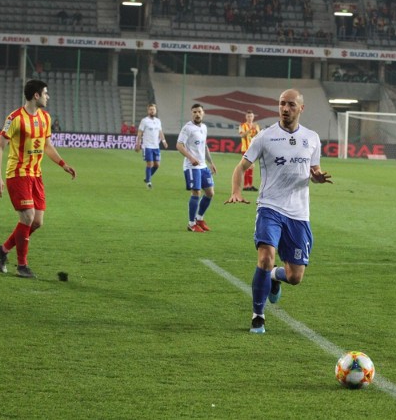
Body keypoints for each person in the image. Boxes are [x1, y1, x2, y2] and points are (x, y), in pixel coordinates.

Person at [225, 89, 333, 334]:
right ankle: (258, 316)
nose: (285, 109)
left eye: (291, 105)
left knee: (295, 277)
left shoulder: (312, 138)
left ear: (301, 108)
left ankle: (274, 277)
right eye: (282, 104)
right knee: (265, 258)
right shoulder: (264, 137)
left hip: (298, 214)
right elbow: (241, 167)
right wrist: (236, 191)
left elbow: (313, 171)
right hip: (269, 207)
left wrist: (317, 178)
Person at [0, 79, 77, 278]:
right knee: (28, 217)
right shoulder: (14, 118)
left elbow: (46, 145)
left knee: (37, 221)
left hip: (36, 175)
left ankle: (3, 250)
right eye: (46, 93)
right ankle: (22, 266)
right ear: (36, 95)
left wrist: (63, 164)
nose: (48, 97)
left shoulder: (45, 118)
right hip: (18, 173)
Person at [176, 103, 217, 232]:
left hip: (203, 166)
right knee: (196, 192)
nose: (197, 114)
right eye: (194, 112)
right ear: (191, 113)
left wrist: (211, 162)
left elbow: (204, 146)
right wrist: (190, 158)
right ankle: (191, 223)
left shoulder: (204, 127)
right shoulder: (187, 128)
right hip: (191, 166)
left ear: (203, 113)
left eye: (199, 111)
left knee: (210, 193)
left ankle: (199, 219)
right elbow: (179, 145)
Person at [135, 103, 168, 189]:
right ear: (148, 110)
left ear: (155, 111)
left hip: (156, 146)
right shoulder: (144, 121)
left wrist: (164, 141)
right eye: (150, 109)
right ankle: (149, 182)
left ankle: (147, 177)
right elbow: (139, 133)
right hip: (147, 146)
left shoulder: (158, 121)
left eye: (153, 109)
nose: (152, 111)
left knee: (157, 165)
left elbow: (160, 132)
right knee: (150, 164)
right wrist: (138, 143)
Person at [238, 110, 261, 191]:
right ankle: (247, 185)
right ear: (246, 117)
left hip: (253, 149)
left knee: (250, 167)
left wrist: (256, 130)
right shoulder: (242, 125)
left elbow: (259, 136)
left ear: (253, 117)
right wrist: (250, 129)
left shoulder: (256, 126)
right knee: (249, 166)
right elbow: (242, 135)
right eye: (248, 116)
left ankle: (248, 185)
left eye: (251, 116)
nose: (250, 118)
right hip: (245, 149)